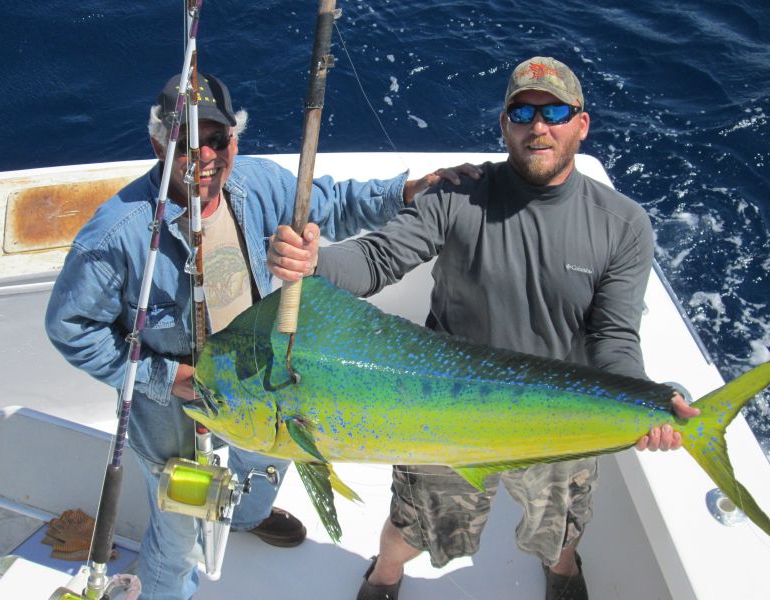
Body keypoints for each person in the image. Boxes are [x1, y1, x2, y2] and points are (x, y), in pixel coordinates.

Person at [267, 56, 700, 600]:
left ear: (581, 124)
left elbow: (613, 337)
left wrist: (651, 401)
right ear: (504, 124)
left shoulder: (623, 223)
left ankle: (562, 571)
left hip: (555, 414)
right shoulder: (457, 193)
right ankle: (386, 573)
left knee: (560, 523)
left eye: (556, 111)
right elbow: (379, 259)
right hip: (442, 409)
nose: (538, 126)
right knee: (414, 522)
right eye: (523, 111)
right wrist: (315, 263)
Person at [44, 72, 467, 600]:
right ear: (158, 144)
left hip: (263, 383)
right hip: (175, 406)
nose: (204, 157)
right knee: (178, 532)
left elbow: (334, 203)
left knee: (266, 464)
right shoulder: (117, 235)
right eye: (185, 144)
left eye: (217, 141)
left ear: (234, 143)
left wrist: (407, 191)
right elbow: (70, 330)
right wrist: (168, 376)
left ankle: (244, 518)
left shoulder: (259, 185)